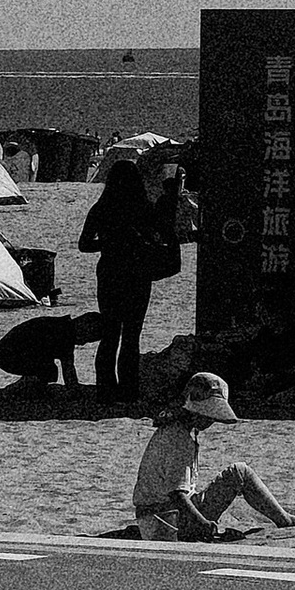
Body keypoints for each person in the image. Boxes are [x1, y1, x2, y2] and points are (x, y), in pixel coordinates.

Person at [132, 371, 295, 541]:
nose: (210, 421)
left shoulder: (173, 429)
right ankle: (285, 519)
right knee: (239, 473)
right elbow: (177, 495)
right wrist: (203, 523)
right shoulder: (180, 440)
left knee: (238, 473)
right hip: (166, 521)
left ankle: (284, 518)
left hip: (153, 517)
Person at [79, 156, 179, 409]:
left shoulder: (101, 208)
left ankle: (105, 390)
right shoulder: (143, 207)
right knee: (132, 335)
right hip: (137, 273)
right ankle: (128, 390)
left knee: (110, 334)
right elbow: (164, 233)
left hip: (110, 273)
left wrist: (110, 242)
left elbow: (84, 245)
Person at [0, 306, 104, 398]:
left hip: (10, 350)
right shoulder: (64, 335)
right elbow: (68, 368)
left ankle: (29, 387)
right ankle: (15, 389)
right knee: (47, 371)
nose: (83, 343)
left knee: (48, 370)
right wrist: (74, 392)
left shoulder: (62, 327)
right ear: (83, 327)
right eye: (87, 339)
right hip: (8, 354)